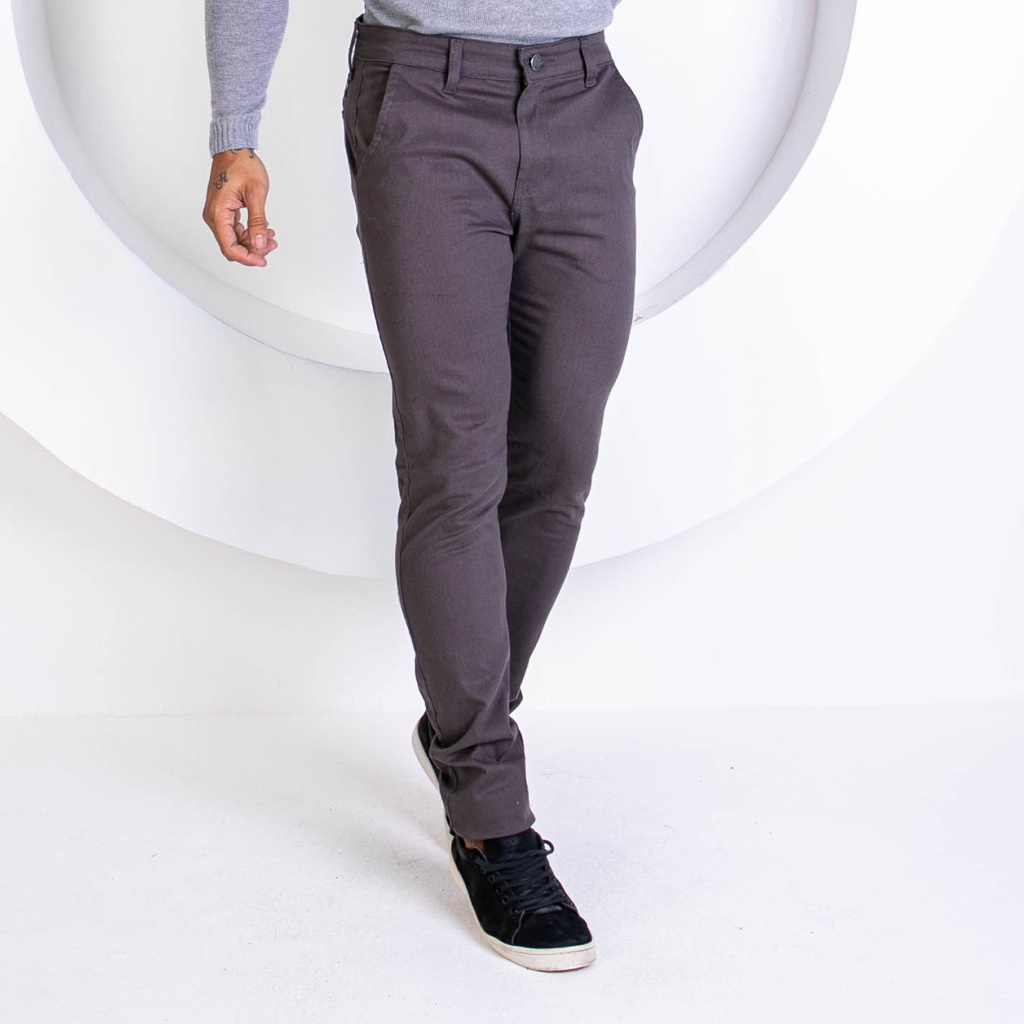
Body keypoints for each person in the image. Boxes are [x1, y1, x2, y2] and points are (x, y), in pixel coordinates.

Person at [202, 0, 642, 973]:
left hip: (584, 97)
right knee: (455, 462)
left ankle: (459, 723)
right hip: (425, 100)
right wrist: (236, 130)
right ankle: (491, 818)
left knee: (560, 456)